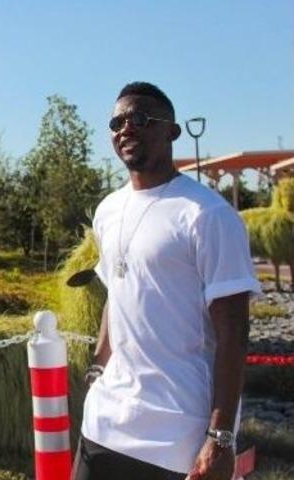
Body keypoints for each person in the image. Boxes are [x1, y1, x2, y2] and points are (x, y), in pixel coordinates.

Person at [73, 82, 261, 480]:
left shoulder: (207, 215)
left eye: (140, 118)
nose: (126, 128)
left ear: (172, 132)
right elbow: (115, 293)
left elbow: (234, 330)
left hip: (177, 433)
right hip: (106, 422)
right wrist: (96, 370)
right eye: (117, 121)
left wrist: (221, 437)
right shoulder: (107, 211)